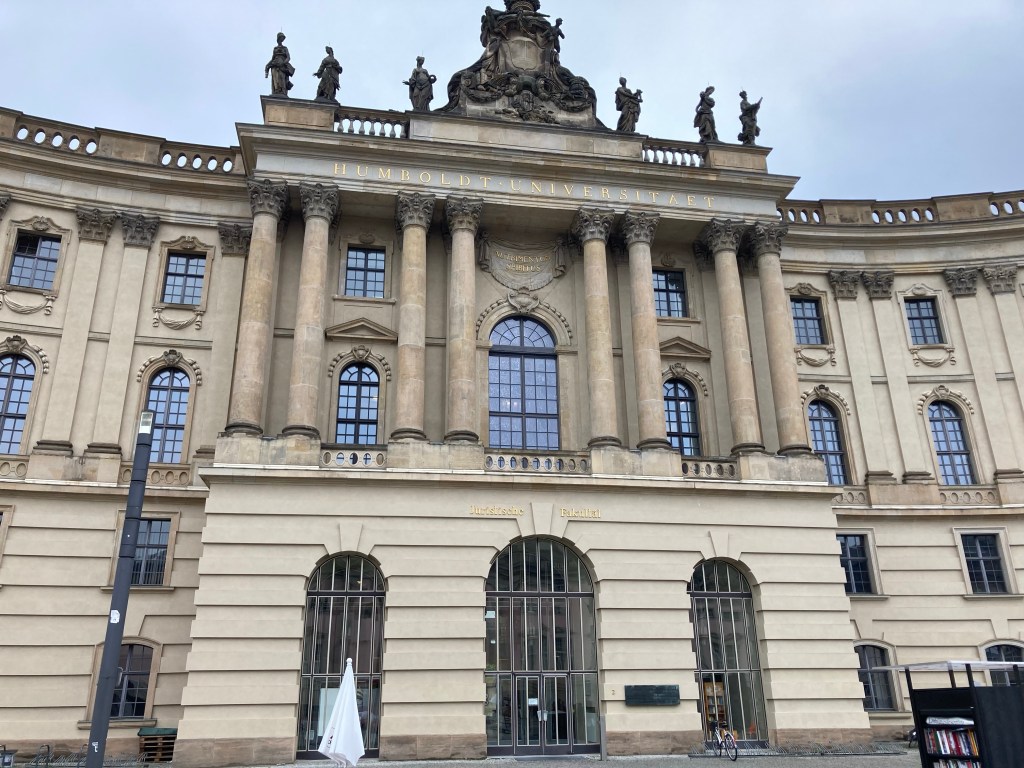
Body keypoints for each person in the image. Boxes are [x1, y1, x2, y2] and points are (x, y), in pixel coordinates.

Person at [264, 32, 294, 97]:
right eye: (280, 38)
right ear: (278, 39)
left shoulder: (285, 48)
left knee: (281, 78)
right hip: (275, 65)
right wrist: (267, 65)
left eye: (282, 38)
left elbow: (288, 57)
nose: (281, 39)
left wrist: (284, 63)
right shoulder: (275, 48)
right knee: (276, 78)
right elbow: (273, 58)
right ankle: (276, 90)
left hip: (282, 65)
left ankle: (282, 91)